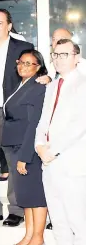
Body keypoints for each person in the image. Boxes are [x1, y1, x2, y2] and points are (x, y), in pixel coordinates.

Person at [0, 8, 37, 226]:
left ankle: (16, 210)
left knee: (14, 163)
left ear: (9, 26)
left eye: (0, 23)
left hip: (10, 114)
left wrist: (44, 78)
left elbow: (36, 69)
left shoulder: (22, 49)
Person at [35, 39, 86, 245]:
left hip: (71, 163)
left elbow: (80, 124)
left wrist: (52, 150)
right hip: (49, 164)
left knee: (78, 222)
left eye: (64, 54)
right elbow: (44, 120)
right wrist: (39, 146)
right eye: (55, 55)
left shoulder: (83, 83)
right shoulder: (52, 85)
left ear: (76, 57)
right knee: (58, 222)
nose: (58, 59)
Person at [2, 50, 48, 245]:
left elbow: (34, 124)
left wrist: (25, 155)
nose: (23, 66)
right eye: (21, 62)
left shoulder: (38, 87)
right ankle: (29, 235)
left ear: (39, 67)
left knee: (36, 195)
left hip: (26, 148)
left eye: (29, 64)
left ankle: (38, 237)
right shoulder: (21, 85)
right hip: (16, 146)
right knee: (26, 195)